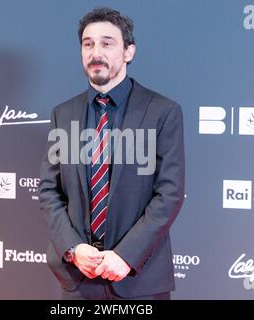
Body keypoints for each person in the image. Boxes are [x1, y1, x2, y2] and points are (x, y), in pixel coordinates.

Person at [39, 7, 185, 300]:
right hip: (79, 279)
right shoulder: (63, 114)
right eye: (88, 43)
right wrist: (73, 248)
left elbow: (169, 194)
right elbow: (49, 191)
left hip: (138, 279)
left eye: (107, 43)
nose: (96, 52)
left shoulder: (163, 112)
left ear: (129, 51)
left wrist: (126, 256)